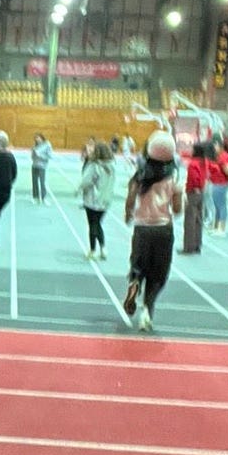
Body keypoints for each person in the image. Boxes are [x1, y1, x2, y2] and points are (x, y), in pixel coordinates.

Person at [123, 132, 184, 333]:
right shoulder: (173, 177)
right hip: (163, 230)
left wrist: (129, 213)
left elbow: (131, 198)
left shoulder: (140, 174)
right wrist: (177, 197)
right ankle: (147, 312)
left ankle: (134, 282)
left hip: (142, 228)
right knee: (158, 275)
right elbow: (176, 210)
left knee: (138, 265)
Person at [79, 141, 116, 260]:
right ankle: (103, 248)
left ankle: (92, 250)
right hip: (106, 200)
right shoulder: (112, 166)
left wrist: (79, 189)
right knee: (98, 223)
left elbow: (86, 181)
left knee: (92, 225)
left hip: (93, 200)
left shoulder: (94, 166)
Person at [207, 136, 228, 237]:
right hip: (216, 183)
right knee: (217, 206)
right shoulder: (218, 155)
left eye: (214, 146)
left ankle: (222, 229)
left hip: (221, 184)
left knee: (221, 206)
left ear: (218, 145)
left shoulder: (224, 156)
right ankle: (216, 227)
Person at [181, 139, 208, 254]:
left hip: (193, 192)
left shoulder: (193, 163)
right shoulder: (204, 162)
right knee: (198, 219)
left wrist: (195, 187)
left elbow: (193, 177)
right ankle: (197, 244)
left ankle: (189, 247)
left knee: (190, 220)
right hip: (201, 191)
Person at [30, 132, 53, 204]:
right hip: (34, 165)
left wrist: (40, 155)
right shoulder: (35, 146)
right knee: (34, 182)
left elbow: (50, 156)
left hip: (42, 166)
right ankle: (35, 197)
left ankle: (43, 198)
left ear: (42, 137)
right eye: (35, 138)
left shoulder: (47, 145)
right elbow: (32, 157)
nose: (37, 139)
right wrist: (33, 154)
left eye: (38, 138)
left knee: (42, 182)